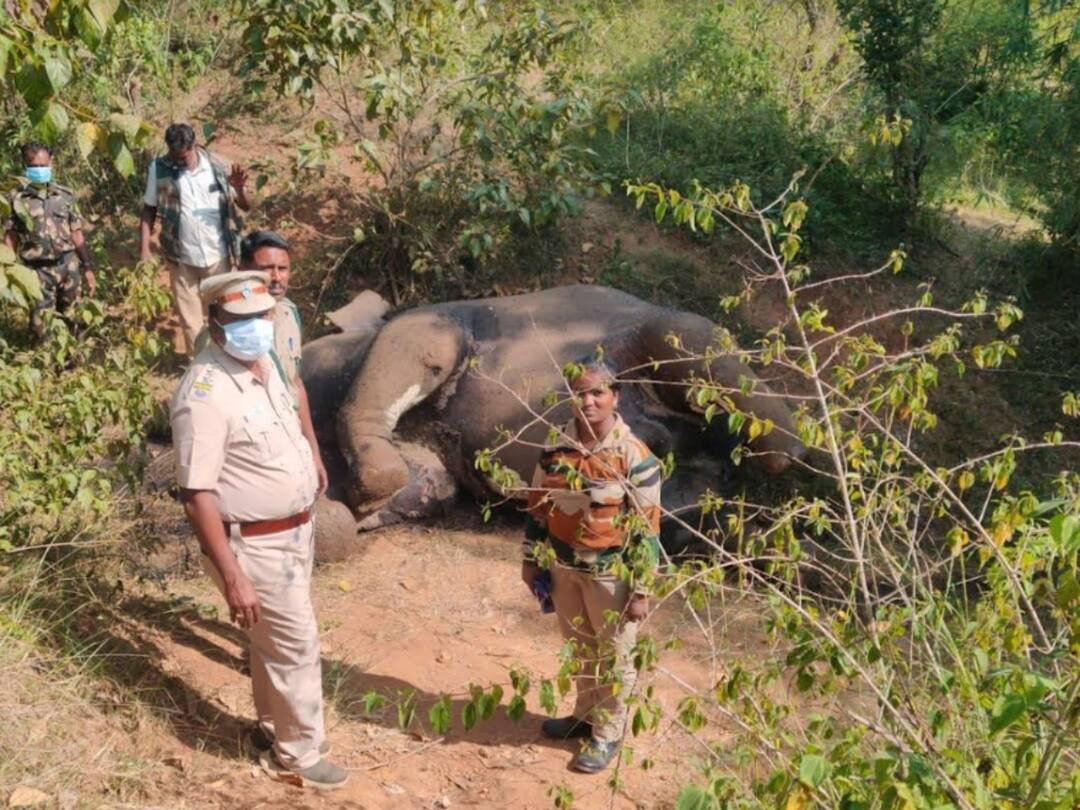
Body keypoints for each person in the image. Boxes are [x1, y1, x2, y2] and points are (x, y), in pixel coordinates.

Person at [170, 271, 346, 790]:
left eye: (261, 316)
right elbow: (196, 493)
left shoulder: (263, 362)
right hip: (254, 545)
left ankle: (276, 730)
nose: (255, 327)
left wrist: (310, 460)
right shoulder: (204, 393)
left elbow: (291, 416)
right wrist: (232, 577)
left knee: (271, 643)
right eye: (240, 319)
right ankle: (300, 753)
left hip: (293, 533)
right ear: (215, 323)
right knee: (295, 645)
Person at [521, 358, 662, 773]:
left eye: (597, 392)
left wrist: (641, 591)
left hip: (611, 576)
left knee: (615, 654)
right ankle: (584, 717)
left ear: (614, 396)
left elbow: (648, 529)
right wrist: (531, 562)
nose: (588, 401)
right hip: (564, 571)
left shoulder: (634, 456)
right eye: (580, 392)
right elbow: (537, 507)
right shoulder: (554, 448)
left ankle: (607, 734)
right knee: (581, 649)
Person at [192, 229, 329, 493]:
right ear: (244, 270)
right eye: (267, 269)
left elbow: (295, 384)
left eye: (283, 268)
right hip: (250, 450)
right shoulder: (222, 333)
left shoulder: (289, 315)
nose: (277, 277)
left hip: (288, 435)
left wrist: (313, 450)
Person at [139, 122, 250, 357]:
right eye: (174, 156)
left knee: (225, 312)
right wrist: (145, 249)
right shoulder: (159, 169)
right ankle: (198, 364)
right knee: (191, 322)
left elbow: (245, 206)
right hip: (181, 258)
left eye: (184, 156)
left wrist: (239, 190)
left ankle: (228, 359)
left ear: (194, 145)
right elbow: (149, 209)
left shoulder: (218, 165)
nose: (178, 161)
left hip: (218, 255)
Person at [3, 142, 96, 338]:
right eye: (34, 167)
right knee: (40, 324)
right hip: (37, 271)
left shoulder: (65, 195)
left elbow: (76, 233)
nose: (40, 170)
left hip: (68, 266)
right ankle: (44, 363)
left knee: (73, 318)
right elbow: (11, 237)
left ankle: (73, 364)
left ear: (51, 163)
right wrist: (8, 272)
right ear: (26, 167)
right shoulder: (17, 198)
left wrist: (87, 267)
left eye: (43, 165)